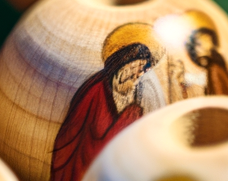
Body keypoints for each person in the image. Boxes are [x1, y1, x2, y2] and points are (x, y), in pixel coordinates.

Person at [50, 41, 156, 181]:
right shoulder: (96, 90)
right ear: (123, 63)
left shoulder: (133, 91)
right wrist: (129, 115)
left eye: (141, 70)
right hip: (82, 164)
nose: (137, 74)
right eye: (134, 67)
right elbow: (93, 138)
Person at [182, 26, 228, 97]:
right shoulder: (212, 65)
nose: (200, 48)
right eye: (197, 44)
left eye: (206, 40)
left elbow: (218, 92)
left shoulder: (214, 69)